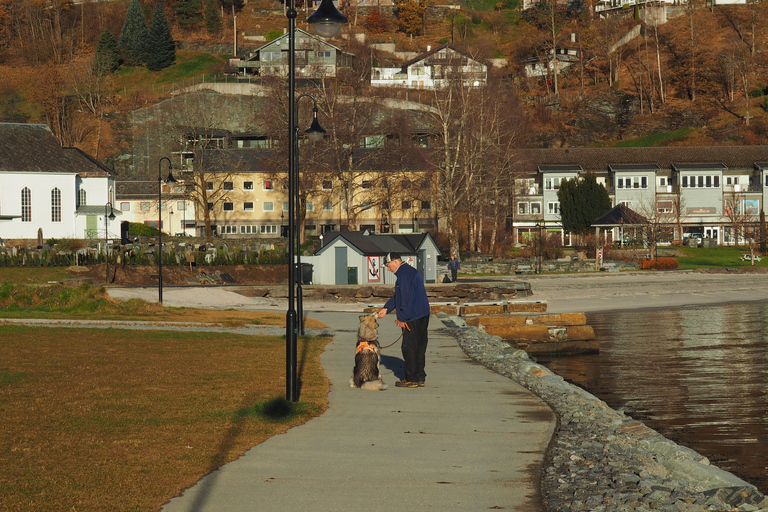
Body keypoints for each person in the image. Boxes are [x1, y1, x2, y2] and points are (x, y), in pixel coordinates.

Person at [378, 252, 431, 388]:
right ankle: (420, 377)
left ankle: (411, 378)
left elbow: (406, 300)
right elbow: (399, 296)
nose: (388, 269)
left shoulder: (403, 275)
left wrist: (402, 319)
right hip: (422, 314)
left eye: (388, 265)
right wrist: (386, 309)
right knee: (419, 346)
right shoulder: (410, 271)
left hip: (412, 317)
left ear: (395, 262)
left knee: (409, 348)